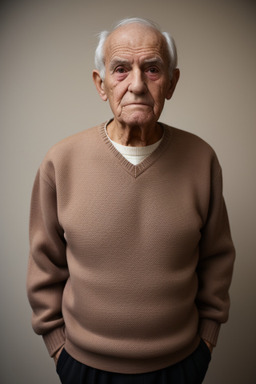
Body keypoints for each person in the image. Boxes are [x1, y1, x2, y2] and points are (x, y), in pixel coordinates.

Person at [27, 17, 235, 384]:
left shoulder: (202, 159)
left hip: (183, 364)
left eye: (152, 69)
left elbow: (216, 258)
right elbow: (45, 264)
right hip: (83, 367)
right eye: (121, 69)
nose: (137, 84)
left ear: (171, 83)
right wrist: (59, 349)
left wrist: (207, 341)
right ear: (100, 84)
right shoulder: (60, 162)